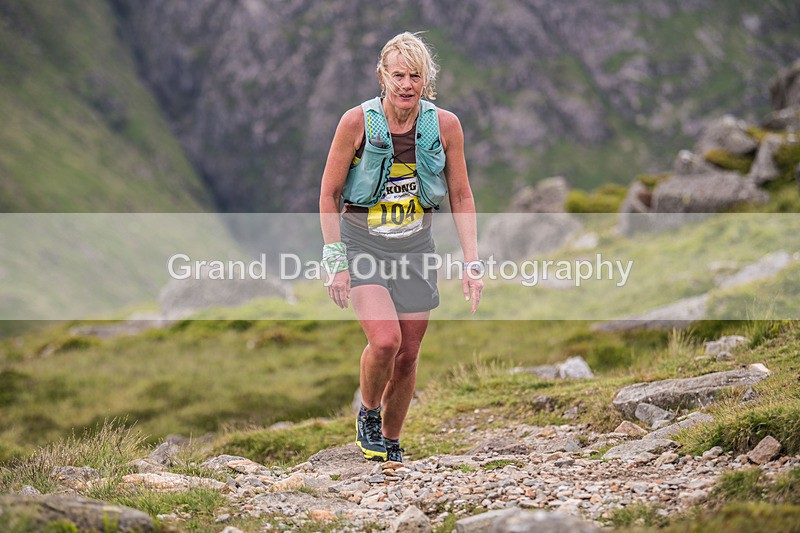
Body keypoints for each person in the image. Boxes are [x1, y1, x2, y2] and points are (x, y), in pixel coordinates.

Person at [319, 32, 483, 463]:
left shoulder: (445, 126)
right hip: (362, 244)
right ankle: (368, 415)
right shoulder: (355, 122)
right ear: (382, 76)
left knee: (409, 356)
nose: (406, 84)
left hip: (416, 249)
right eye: (398, 75)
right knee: (387, 341)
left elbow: (461, 196)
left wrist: (472, 262)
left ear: (425, 79)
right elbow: (328, 194)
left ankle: (390, 442)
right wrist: (335, 259)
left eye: (415, 76)